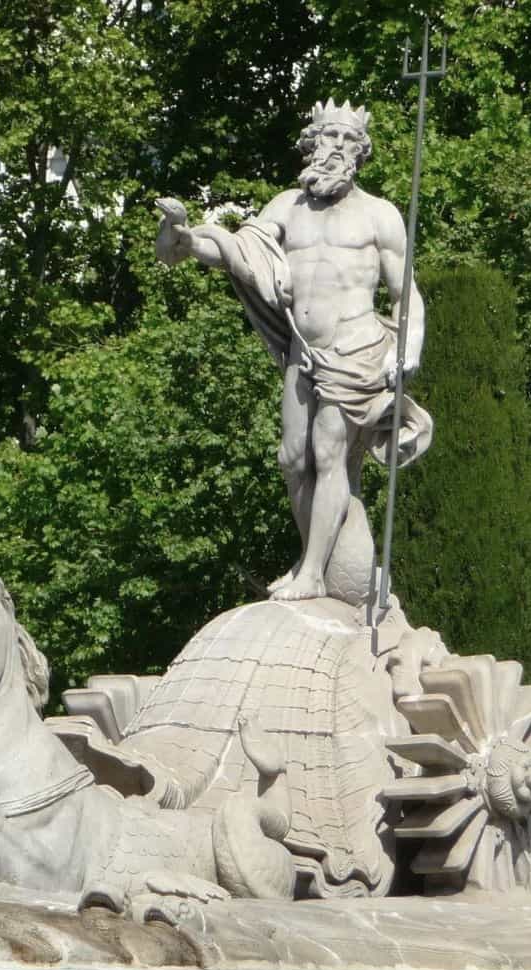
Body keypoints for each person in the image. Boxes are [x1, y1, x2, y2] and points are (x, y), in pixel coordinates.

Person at [157, 99, 432, 602]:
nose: (335, 151)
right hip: (302, 353)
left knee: (328, 453)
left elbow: (405, 293)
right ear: (310, 146)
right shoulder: (286, 207)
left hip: (357, 350)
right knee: (292, 460)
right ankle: (322, 561)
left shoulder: (379, 216)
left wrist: (406, 349)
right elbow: (241, 252)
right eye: (326, 140)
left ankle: (311, 574)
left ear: (360, 153)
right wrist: (186, 236)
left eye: (346, 143)